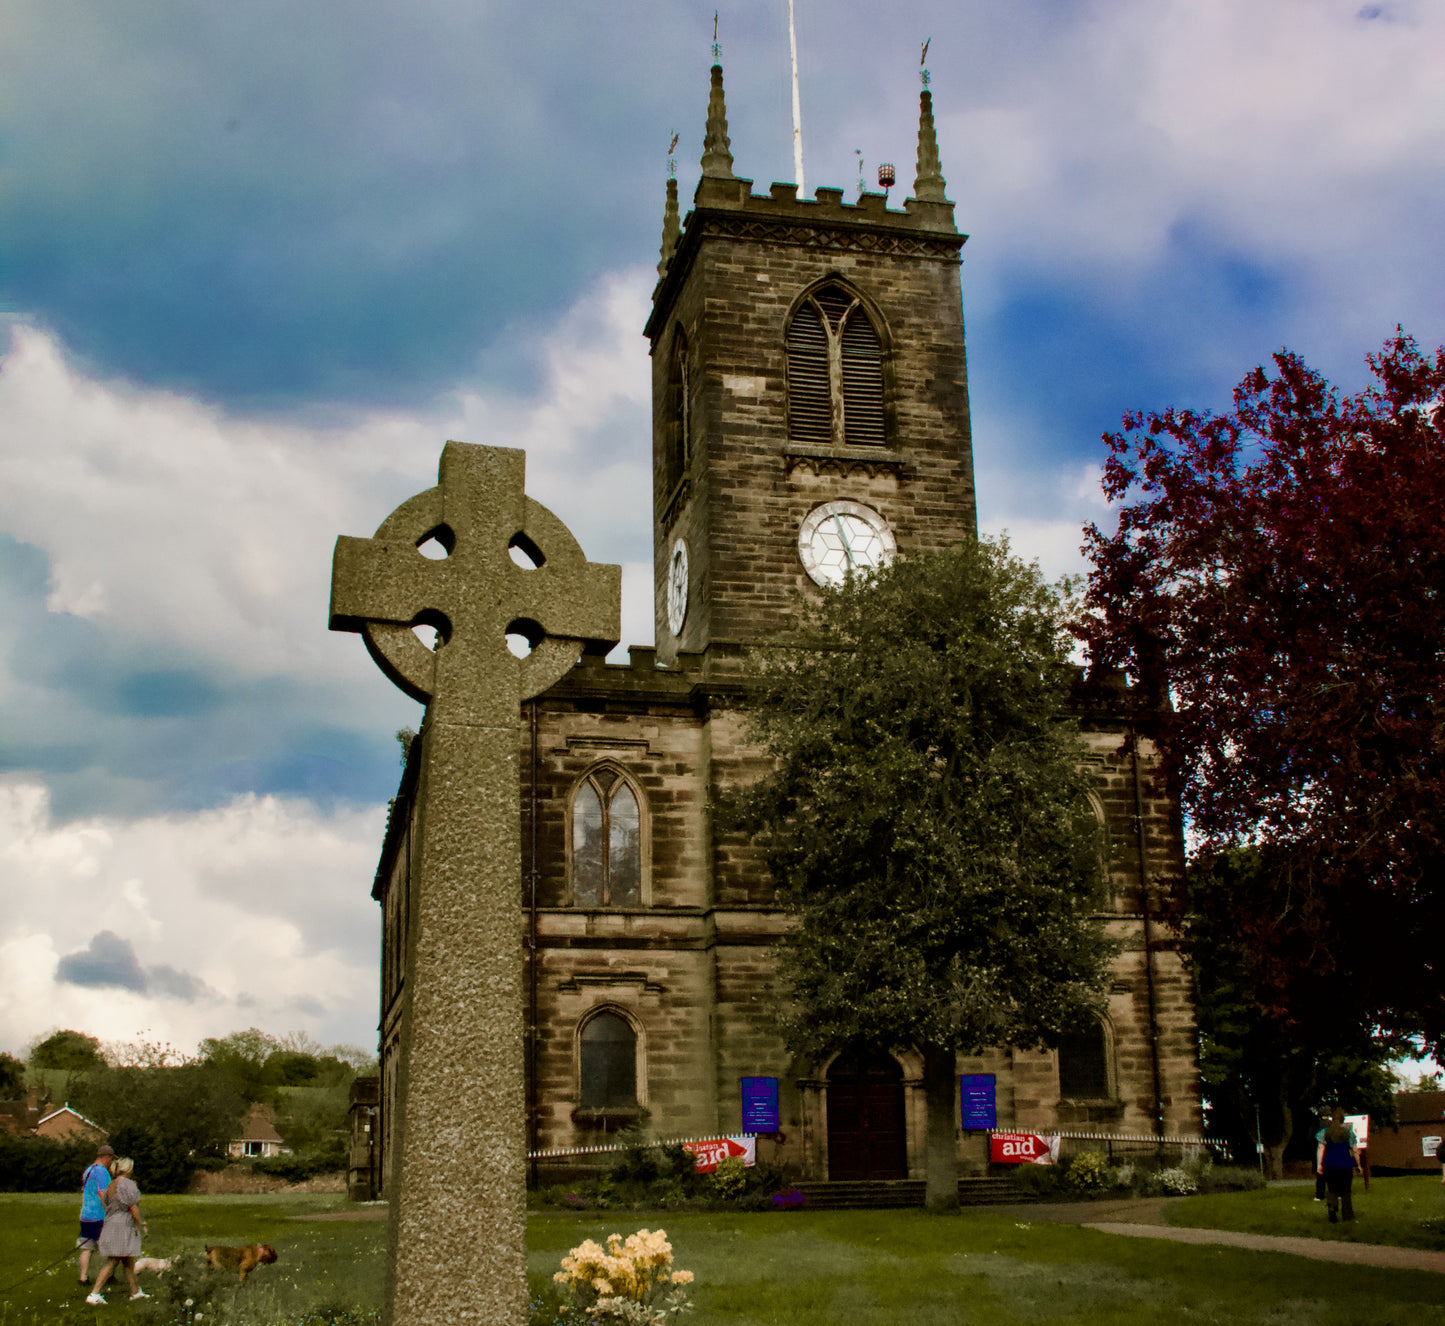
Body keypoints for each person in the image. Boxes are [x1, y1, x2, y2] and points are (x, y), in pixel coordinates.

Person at [86, 1156, 149, 1304]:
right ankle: (94, 1293)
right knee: (113, 1261)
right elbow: (134, 1208)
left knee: (128, 1261)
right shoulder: (128, 1185)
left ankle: (135, 1291)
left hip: (110, 1223)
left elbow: (106, 1205)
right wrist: (140, 1225)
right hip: (123, 1225)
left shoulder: (111, 1185)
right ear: (128, 1169)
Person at [76, 1143, 114, 1286]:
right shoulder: (102, 1172)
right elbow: (102, 1193)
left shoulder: (88, 1170)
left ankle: (83, 1277)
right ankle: (108, 1275)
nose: (112, 1162)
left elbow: (84, 1190)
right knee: (109, 1247)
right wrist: (109, 1210)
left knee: (86, 1247)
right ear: (107, 1157)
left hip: (86, 1215)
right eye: (111, 1158)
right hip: (99, 1216)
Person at [1315, 1107, 1360, 1223]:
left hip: (1329, 1164)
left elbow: (1320, 1148)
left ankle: (1332, 1209)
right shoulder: (1348, 1133)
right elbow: (1355, 1150)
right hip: (1345, 1164)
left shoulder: (1325, 1132)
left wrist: (1319, 1165)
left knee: (1332, 1189)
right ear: (1343, 1120)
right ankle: (1347, 1215)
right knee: (1346, 1190)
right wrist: (1358, 1165)